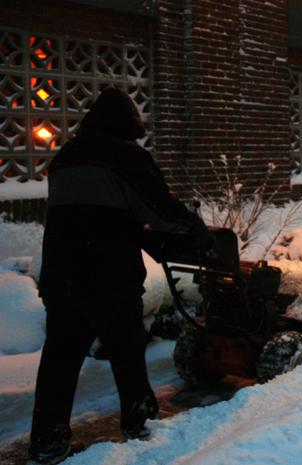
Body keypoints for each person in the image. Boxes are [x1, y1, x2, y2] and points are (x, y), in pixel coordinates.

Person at [29, 88, 212, 465]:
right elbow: (160, 211)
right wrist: (197, 230)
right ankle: (140, 428)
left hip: (62, 276)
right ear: (129, 124)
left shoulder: (65, 157)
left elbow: (99, 213)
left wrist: (139, 234)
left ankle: (48, 444)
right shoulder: (127, 156)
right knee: (127, 354)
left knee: (60, 361)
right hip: (108, 277)